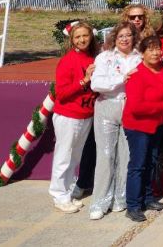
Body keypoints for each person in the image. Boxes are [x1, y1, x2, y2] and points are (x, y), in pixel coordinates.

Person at [89, 21, 141, 220]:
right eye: (121, 36)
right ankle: (99, 202)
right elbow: (97, 84)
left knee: (126, 156)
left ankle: (120, 198)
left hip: (131, 109)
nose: (125, 39)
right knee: (106, 155)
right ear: (114, 39)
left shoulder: (139, 58)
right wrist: (122, 80)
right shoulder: (105, 57)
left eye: (128, 35)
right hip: (107, 106)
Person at [123, 36, 163, 222]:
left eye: (157, 49)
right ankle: (133, 205)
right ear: (142, 53)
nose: (155, 53)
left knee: (152, 162)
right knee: (138, 165)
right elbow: (136, 107)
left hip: (156, 125)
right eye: (150, 49)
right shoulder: (137, 74)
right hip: (138, 126)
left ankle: (147, 198)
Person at [49, 21, 99, 213]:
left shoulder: (92, 58)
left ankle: (67, 192)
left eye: (85, 35)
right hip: (69, 115)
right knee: (64, 155)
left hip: (86, 115)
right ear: (71, 40)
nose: (82, 40)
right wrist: (84, 80)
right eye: (77, 37)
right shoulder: (68, 60)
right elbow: (61, 93)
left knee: (74, 157)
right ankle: (58, 194)